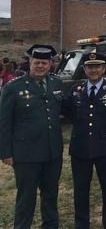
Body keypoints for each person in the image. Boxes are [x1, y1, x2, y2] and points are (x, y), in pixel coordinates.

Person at [0, 45, 63, 229]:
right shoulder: (13, 87)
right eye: (37, 62)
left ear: (51, 64)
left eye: (44, 63)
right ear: (30, 63)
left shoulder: (56, 83)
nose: (40, 66)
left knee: (51, 194)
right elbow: (4, 122)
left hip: (52, 152)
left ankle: (50, 226)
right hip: (26, 154)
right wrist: (5, 152)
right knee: (26, 198)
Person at [63, 52, 106, 229]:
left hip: (105, 148)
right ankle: (81, 224)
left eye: (97, 66)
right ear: (84, 69)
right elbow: (69, 114)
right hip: (80, 148)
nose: (93, 70)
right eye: (90, 67)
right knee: (81, 191)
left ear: (103, 69)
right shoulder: (76, 90)